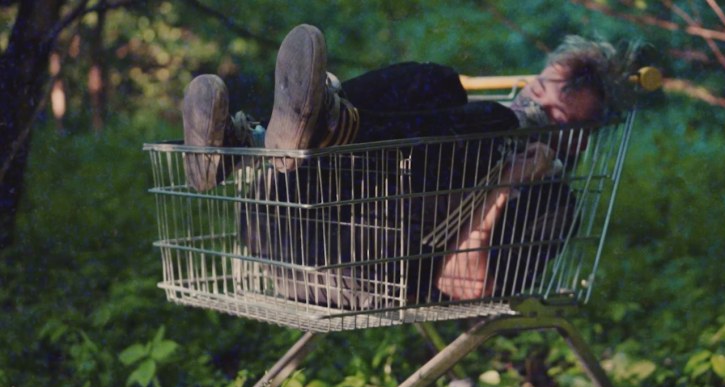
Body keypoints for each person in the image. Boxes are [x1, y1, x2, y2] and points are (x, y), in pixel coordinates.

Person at [181, 24, 634, 307]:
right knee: (438, 82)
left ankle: (313, 127)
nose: (532, 109)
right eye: (535, 92)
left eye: (554, 115)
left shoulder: (552, 202)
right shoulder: (475, 133)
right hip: (274, 223)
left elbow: (466, 284)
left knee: (489, 118)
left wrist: (503, 187)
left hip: (353, 271)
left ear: (578, 140)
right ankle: (250, 144)